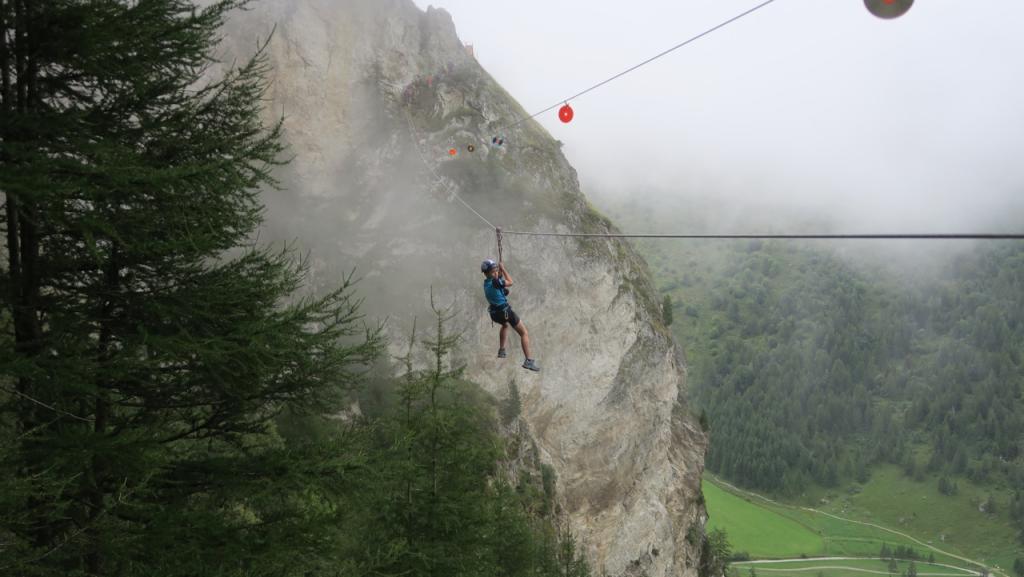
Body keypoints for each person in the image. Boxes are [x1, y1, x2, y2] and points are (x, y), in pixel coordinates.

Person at [481, 259, 539, 371]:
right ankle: (528, 361)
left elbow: (497, 285)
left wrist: (498, 276)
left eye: (496, 270)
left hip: (495, 314)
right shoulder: (496, 282)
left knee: (505, 325)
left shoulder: (486, 283)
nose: (495, 272)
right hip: (505, 312)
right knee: (524, 333)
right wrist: (503, 269)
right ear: (488, 273)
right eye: (493, 271)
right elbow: (510, 282)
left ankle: (502, 350)